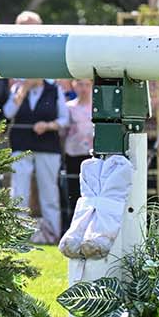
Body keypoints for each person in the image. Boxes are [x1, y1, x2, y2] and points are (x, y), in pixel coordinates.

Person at [4, 77, 68, 243]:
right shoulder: (18, 88)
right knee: (19, 191)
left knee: (49, 192)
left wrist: (48, 126)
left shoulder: (54, 90)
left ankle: (52, 235)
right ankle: (17, 234)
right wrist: (22, 92)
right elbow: (8, 113)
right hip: (21, 145)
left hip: (47, 146)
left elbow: (64, 119)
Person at [62, 78, 94, 228]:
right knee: (74, 191)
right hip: (73, 154)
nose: (84, 88)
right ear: (74, 85)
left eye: (87, 85)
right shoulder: (68, 107)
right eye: (80, 84)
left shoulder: (96, 107)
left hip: (92, 154)